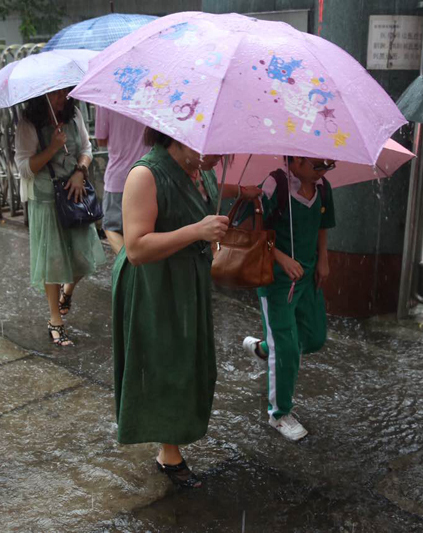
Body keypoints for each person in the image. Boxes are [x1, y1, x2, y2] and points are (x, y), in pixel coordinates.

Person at [112, 128, 259, 488]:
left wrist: (241, 194)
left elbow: (201, 197)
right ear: (177, 134)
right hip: (153, 284)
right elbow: (136, 247)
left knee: (187, 359)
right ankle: (169, 453)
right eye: (206, 142)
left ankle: (171, 443)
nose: (215, 153)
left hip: (187, 281)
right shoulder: (144, 175)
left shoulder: (201, 170)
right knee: (165, 362)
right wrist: (197, 231)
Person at [242, 156, 336, 441]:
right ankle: (279, 413)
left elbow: (322, 223)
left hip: (308, 276)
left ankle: (265, 348)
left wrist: (323, 258)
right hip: (277, 280)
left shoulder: (323, 187)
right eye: (316, 164)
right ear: (294, 160)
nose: (322, 170)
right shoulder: (274, 185)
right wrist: (281, 258)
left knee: (314, 337)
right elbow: (254, 233)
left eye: (327, 165)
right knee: (286, 347)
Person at [14, 88, 105, 347]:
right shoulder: (28, 123)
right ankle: (55, 320)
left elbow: (86, 148)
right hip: (45, 199)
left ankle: (68, 291)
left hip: (74, 194)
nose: (60, 99)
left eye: (65, 93)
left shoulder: (74, 114)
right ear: (41, 96)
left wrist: (80, 170)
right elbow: (24, 167)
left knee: (82, 254)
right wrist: (52, 146)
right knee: (53, 259)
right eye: (54, 95)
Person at [94, 107, 149, 254]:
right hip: (148, 175)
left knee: (112, 228)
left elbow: (101, 140)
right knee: (146, 231)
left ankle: (129, 267)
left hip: (119, 178)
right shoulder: (152, 91)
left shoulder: (105, 99)